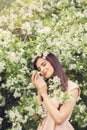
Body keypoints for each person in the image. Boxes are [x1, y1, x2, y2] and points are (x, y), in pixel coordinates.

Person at [31, 53, 80, 130]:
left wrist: (44, 94)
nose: (42, 70)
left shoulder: (72, 88)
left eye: (44, 64)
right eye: (39, 69)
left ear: (53, 61)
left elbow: (59, 119)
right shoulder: (46, 88)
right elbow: (36, 118)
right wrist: (39, 91)